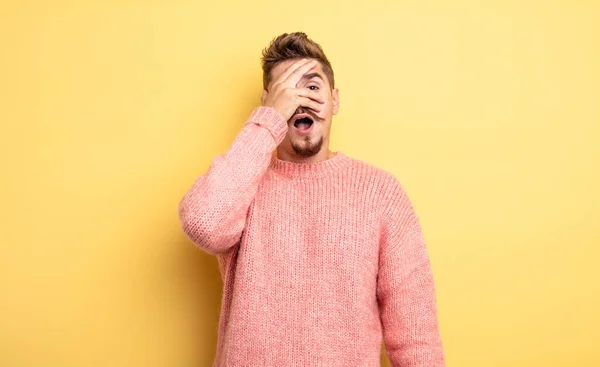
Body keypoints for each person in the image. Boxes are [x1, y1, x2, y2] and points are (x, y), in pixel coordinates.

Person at [178, 32, 445, 366]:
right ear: (268, 104)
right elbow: (204, 224)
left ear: (335, 100)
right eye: (287, 93)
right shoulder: (244, 181)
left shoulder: (380, 192)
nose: (301, 101)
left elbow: (415, 333)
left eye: (312, 87)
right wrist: (268, 122)